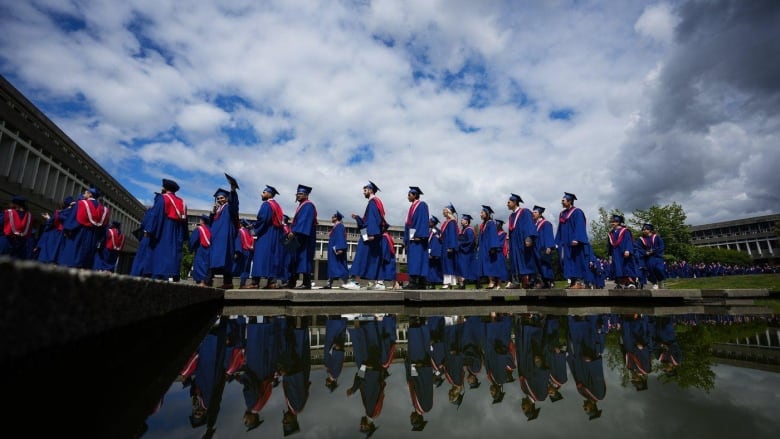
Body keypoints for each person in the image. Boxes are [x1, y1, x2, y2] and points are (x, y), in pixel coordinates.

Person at [343, 181, 387, 290]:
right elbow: (369, 219)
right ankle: (380, 283)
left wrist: (371, 234)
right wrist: (358, 218)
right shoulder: (376, 202)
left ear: (371, 190)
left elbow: (373, 219)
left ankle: (356, 282)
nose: (363, 192)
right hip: (372, 233)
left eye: (365, 190)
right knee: (374, 258)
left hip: (368, 234)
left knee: (360, 256)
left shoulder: (373, 202)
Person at [147, 179, 187, 281]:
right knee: (173, 251)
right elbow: (184, 221)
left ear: (165, 188)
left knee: (162, 249)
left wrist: (149, 229)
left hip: (165, 226)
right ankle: (173, 274)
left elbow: (155, 215)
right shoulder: (182, 202)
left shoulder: (163, 198)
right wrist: (184, 235)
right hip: (178, 229)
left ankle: (160, 274)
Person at [60, 186, 110, 268]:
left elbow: (72, 220)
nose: (84, 194)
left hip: (79, 235)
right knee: (86, 262)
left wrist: (67, 230)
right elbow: (104, 229)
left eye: (85, 192)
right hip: (94, 237)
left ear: (90, 194)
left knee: (73, 259)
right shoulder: (105, 210)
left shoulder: (81, 204)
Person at [248, 185, 285, 289]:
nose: (261, 194)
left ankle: (255, 283)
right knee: (272, 258)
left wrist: (254, 230)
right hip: (276, 235)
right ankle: (271, 282)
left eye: (263, 192)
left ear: (269, 194)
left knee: (260, 256)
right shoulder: (277, 206)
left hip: (266, 234)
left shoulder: (266, 205)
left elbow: (263, 220)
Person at [555, 192, 589, 289]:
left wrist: (577, 239)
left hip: (574, 242)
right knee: (566, 261)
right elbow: (560, 229)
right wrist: (557, 241)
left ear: (569, 201)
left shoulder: (577, 212)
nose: (561, 202)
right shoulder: (562, 213)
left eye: (563, 200)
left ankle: (579, 282)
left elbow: (580, 226)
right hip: (565, 242)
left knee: (576, 260)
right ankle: (573, 282)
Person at [210, 177, 240, 289]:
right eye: (218, 198)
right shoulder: (218, 210)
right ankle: (211, 281)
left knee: (226, 259)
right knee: (214, 259)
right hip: (216, 239)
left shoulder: (229, 208)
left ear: (227, 198)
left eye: (222, 197)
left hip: (225, 239)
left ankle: (227, 282)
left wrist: (233, 190)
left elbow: (234, 205)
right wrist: (212, 214)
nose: (219, 200)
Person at [287, 184, 318, 289]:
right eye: (297, 194)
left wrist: (294, 231)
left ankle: (306, 283)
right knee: (294, 259)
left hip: (304, 237)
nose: (298, 195)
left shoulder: (308, 205)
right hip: (299, 236)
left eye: (301, 194)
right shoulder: (302, 205)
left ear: (306, 195)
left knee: (304, 259)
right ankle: (292, 282)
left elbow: (304, 221)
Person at [506, 193, 538, 289]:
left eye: (509, 202)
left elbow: (529, 225)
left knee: (526, 260)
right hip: (514, 242)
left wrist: (528, 238)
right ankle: (516, 282)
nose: (507, 204)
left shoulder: (525, 212)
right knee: (514, 261)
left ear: (515, 202)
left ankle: (533, 280)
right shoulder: (511, 216)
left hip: (523, 241)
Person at [403, 186, 430, 289]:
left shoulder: (422, 205)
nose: (407, 196)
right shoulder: (412, 207)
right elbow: (408, 224)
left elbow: (423, 220)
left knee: (418, 259)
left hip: (418, 237)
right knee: (415, 259)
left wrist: (420, 235)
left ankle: (415, 282)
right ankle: (420, 283)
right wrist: (406, 240)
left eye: (409, 194)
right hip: (412, 237)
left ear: (415, 195)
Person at [36, 196, 72, 264]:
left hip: (54, 235)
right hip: (64, 236)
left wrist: (48, 218)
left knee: (47, 255)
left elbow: (50, 223)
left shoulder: (58, 213)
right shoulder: (71, 214)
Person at [607, 214, 638, 288]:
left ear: (618, 222)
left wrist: (628, 250)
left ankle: (630, 282)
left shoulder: (625, 231)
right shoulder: (611, 233)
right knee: (617, 268)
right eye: (611, 222)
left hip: (624, 252)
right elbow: (609, 245)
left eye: (613, 222)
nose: (612, 223)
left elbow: (628, 241)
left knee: (626, 267)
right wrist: (610, 255)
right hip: (615, 253)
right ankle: (620, 283)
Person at [476, 205, 503, 289]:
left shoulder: (491, 223)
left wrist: (493, 247)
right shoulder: (483, 224)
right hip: (484, 248)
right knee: (486, 265)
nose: (480, 214)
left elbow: (493, 235)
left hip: (489, 248)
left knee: (490, 264)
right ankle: (491, 281)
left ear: (487, 213)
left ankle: (493, 282)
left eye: (482, 213)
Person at [0, 195, 34, 259]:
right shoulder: (29, 216)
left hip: (6, 241)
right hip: (21, 245)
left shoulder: (7, 213)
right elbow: (29, 231)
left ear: (14, 204)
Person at [636, 223, 666, 289]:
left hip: (657, 257)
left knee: (659, 269)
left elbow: (661, 246)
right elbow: (638, 248)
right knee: (650, 269)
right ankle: (654, 283)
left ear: (650, 230)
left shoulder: (656, 237)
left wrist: (654, 251)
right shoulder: (641, 239)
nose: (644, 231)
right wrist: (645, 253)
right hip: (648, 258)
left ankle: (660, 280)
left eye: (646, 229)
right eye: (643, 229)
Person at [532, 205, 556, 288]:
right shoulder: (534, 224)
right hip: (535, 248)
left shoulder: (546, 223)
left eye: (535, 212)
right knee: (537, 265)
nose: (533, 214)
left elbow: (549, 235)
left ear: (540, 214)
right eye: (533, 212)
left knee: (545, 264)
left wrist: (549, 246)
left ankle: (549, 281)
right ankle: (540, 281)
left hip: (543, 247)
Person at [324, 211, 349, 289]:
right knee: (333, 266)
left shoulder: (339, 226)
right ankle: (329, 283)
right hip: (333, 250)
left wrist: (340, 248)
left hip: (337, 249)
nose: (331, 217)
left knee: (338, 266)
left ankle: (346, 282)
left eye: (333, 216)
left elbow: (340, 237)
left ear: (336, 218)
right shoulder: (336, 226)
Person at [439, 203, 460, 289]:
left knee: (448, 264)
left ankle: (448, 283)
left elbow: (452, 235)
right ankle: (448, 283)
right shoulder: (447, 222)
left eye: (444, 210)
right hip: (445, 245)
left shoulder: (451, 222)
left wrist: (451, 247)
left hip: (448, 246)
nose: (443, 212)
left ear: (448, 212)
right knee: (446, 263)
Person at [189, 214, 212, 286]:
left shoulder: (199, 229)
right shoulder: (211, 230)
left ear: (202, 221)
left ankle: (201, 282)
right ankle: (206, 282)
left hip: (201, 250)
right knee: (207, 266)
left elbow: (193, 240)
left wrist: (191, 249)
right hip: (210, 251)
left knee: (200, 264)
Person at [456, 214, 477, 289]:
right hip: (462, 252)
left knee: (464, 268)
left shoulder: (469, 230)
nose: (461, 220)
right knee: (461, 268)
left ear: (467, 221)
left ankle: (464, 284)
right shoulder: (463, 229)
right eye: (461, 219)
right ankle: (461, 284)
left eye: (463, 220)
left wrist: (461, 246)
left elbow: (470, 241)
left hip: (467, 253)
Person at [234, 219, 254, 288]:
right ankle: (243, 284)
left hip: (242, 252)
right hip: (249, 252)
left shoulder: (240, 231)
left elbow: (238, 242)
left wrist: (237, 252)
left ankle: (231, 282)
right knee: (246, 269)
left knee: (238, 267)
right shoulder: (249, 232)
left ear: (241, 224)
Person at [426, 215, 443, 289]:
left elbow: (435, 243)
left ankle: (432, 284)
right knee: (431, 269)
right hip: (431, 252)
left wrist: (431, 253)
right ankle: (431, 283)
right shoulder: (431, 230)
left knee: (432, 269)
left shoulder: (435, 231)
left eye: (430, 221)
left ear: (433, 223)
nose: (428, 222)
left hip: (433, 253)